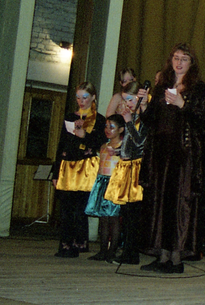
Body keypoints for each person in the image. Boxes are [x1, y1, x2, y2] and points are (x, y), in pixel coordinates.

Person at [139, 43, 205, 274]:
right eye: (176, 57)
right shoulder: (163, 85)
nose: (179, 62)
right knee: (160, 203)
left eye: (184, 58)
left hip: (184, 154)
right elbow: (150, 120)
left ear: (191, 63)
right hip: (160, 153)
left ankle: (176, 259)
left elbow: (204, 121)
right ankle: (162, 255)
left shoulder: (198, 88)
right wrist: (144, 105)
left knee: (179, 204)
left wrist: (182, 104)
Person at [52, 82, 106, 257]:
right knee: (66, 207)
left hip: (86, 167)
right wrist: (55, 172)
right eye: (78, 97)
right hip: (68, 166)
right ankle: (65, 244)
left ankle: (78, 243)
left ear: (93, 97)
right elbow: (62, 144)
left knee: (79, 207)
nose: (81, 101)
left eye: (85, 97)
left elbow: (100, 143)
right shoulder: (69, 116)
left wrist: (85, 136)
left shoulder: (99, 119)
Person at [108, 81, 147, 265]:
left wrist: (129, 121)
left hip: (136, 169)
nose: (127, 103)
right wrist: (118, 152)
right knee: (126, 213)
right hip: (125, 167)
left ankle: (132, 253)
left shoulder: (143, 119)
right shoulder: (132, 118)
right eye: (125, 100)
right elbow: (129, 143)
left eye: (130, 99)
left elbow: (140, 142)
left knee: (133, 215)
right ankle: (127, 251)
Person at [85, 115, 125, 261]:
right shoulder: (103, 146)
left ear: (121, 129)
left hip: (114, 185)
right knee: (103, 218)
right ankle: (102, 250)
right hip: (101, 183)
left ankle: (112, 251)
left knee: (113, 218)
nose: (108, 130)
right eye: (106, 126)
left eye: (112, 127)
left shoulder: (122, 147)